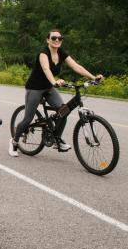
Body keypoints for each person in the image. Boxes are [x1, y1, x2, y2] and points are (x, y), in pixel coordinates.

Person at [9, 29, 103, 157]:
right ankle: (14, 141)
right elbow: (46, 69)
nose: (57, 40)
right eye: (54, 38)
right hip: (35, 88)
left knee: (63, 111)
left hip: (48, 87)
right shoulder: (43, 53)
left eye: (60, 38)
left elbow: (76, 66)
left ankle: (56, 139)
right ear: (48, 40)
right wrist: (54, 81)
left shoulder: (62, 53)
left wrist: (93, 78)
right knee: (28, 119)